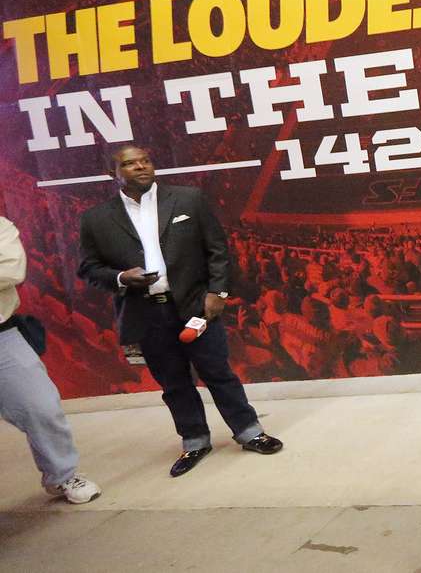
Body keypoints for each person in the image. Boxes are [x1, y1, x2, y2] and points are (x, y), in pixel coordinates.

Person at [78, 145, 283, 477]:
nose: (141, 167)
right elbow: (88, 268)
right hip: (146, 314)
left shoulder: (189, 199)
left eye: (145, 160)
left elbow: (218, 248)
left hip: (195, 307)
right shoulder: (96, 218)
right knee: (173, 383)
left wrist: (218, 292)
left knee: (219, 373)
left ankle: (249, 432)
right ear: (112, 173)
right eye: (130, 164)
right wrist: (120, 277)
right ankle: (195, 441)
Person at [0, 214, 102, 504]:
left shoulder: (1, 226)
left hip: (3, 336)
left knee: (41, 407)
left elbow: (10, 271)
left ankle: (62, 476)